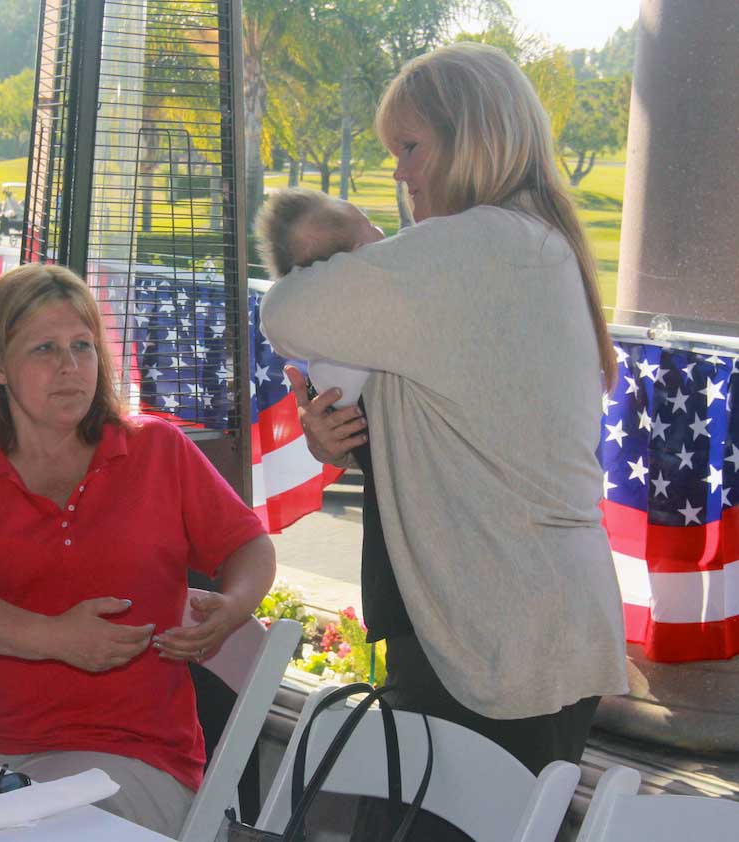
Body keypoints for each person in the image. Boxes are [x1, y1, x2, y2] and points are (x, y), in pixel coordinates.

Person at [261, 43, 628, 840]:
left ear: (472, 139)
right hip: (508, 629)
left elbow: (286, 313)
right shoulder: (520, 244)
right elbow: (452, 424)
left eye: (411, 148)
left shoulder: (479, 246)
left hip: (501, 642)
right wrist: (341, 440)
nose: (399, 173)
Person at [0, 263, 276, 837]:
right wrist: (55, 637)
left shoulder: (157, 450)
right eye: (45, 348)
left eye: (83, 346)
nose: (70, 366)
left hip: (127, 756)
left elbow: (249, 545)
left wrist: (235, 605)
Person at [255, 187, 384, 408]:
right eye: (369, 224)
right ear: (360, 252)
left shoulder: (310, 318)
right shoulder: (378, 298)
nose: (379, 229)